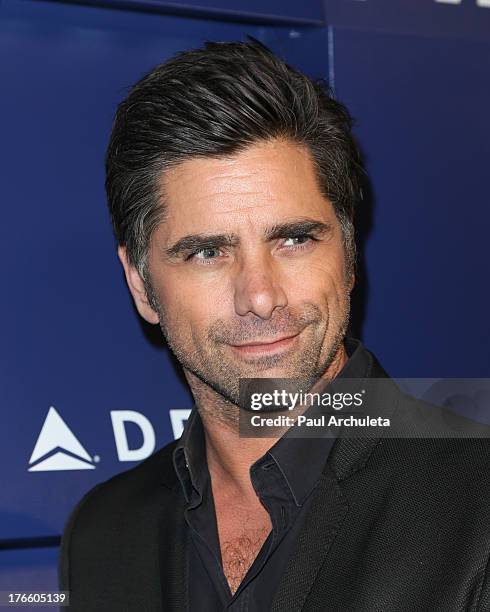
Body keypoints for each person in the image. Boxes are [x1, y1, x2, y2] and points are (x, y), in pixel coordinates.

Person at [58, 40, 490, 611]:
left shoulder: (477, 501)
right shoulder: (104, 533)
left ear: (348, 254)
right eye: (207, 253)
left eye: (293, 239)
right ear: (141, 285)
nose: (260, 296)